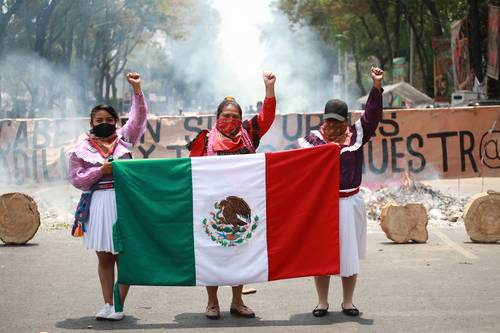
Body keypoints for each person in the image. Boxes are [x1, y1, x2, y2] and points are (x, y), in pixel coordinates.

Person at [187, 72, 277, 319]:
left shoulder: (249, 133)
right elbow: (192, 171)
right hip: (211, 206)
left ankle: (237, 301)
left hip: (243, 203)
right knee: (212, 252)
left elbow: (266, 117)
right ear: (217, 118)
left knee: (241, 251)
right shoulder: (204, 140)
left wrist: (269, 89)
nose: (230, 120)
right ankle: (212, 302)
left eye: (235, 116)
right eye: (226, 116)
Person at [298, 66, 384, 317]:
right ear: (324, 119)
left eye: (336, 121)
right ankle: (322, 302)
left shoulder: (357, 134)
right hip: (324, 205)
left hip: (351, 201)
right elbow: (296, 169)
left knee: (350, 254)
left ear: (345, 120)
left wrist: (376, 86)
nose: (332, 126)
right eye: (328, 121)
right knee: (322, 253)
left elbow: (372, 114)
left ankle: (348, 301)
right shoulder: (312, 140)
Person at [68, 72, 148, 321]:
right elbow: (76, 179)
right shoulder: (81, 148)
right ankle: (107, 303)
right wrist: (99, 171)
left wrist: (137, 89)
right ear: (91, 122)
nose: (103, 122)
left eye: (108, 119)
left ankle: (118, 305)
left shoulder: (124, 139)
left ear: (115, 121)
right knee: (104, 255)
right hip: (98, 204)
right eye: (98, 119)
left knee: (123, 255)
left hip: (124, 203)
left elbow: (139, 117)